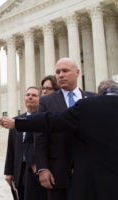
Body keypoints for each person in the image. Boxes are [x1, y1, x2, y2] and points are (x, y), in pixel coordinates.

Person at [0, 80, 118, 200]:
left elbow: (52, 119)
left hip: (92, 178)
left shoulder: (88, 105)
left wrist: (17, 123)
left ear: (99, 93)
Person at [34, 57, 95, 200]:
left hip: (88, 171)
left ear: (77, 72)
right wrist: (43, 168)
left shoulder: (92, 99)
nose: (61, 75)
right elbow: (40, 137)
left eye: (65, 71)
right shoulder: (46, 102)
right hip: (58, 173)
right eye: (58, 72)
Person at [5, 86, 46, 200]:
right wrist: (8, 172)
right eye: (28, 95)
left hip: (38, 168)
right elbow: (11, 148)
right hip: (21, 169)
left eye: (34, 95)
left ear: (40, 99)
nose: (30, 97)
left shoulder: (44, 119)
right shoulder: (16, 120)